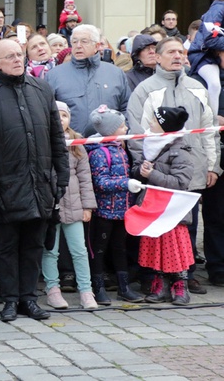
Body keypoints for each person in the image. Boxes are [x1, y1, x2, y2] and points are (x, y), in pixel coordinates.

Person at [0, 39, 69, 322]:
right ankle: (10, 299)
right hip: (7, 185)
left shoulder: (42, 89)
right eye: (10, 56)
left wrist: (61, 177)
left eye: (19, 55)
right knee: (8, 246)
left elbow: (57, 139)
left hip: (40, 184)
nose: (17, 60)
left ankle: (29, 299)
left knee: (35, 245)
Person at [127, 36, 221, 294]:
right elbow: (136, 133)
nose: (177, 56)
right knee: (157, 224)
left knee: (187, 224)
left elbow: (209, 130)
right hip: (158, 173)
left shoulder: (197, 87)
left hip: (191, 169)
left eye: (181, 51)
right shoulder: (145, 90)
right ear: (157, 57)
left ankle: (185, 273)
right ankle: (154, 274)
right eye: (171, 52)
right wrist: (144, 167)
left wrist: (213, 165)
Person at [130, 106, 195, 305]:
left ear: (165, 128)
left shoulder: (180, 153)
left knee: (173, 249)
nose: (150, 123)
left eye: (154, 121)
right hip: (153, 208)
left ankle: (180, 284)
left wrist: (153, 174)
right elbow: (136, 171)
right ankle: (160, 283)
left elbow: (180, 183)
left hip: (172, 211)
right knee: (156, 248)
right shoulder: (151, 146)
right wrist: (140, 171)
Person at [84, 105, 144, 305]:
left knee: (120, 247)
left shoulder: (120, 148)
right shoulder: (100, 152)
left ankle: (123, 287)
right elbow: (100, 182)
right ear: (110, 131)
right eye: (122, 126)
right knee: (99, 249)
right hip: (104, 211)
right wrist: (125, 183)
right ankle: (98, 287)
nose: (126, 128)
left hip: (122, 210)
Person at [41, 101, 98, 310]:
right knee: (50, 250)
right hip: (51, 207)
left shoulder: (76, 145)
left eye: (64, 116)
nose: (60, 119)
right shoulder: (43, 142)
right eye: (56, 115)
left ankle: (86, 290)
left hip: (74, 206)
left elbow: (85, 178)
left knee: (79, 250)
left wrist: (87, 206)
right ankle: (52, 289)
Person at [45, 24, 130, 136]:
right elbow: (46, 114)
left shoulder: (116, 73)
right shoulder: (54, 75)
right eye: (74, 42)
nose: (78, 46)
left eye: (84, 41)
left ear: (97, 46)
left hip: (109, 147)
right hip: (72, 148)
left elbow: (126, 109)